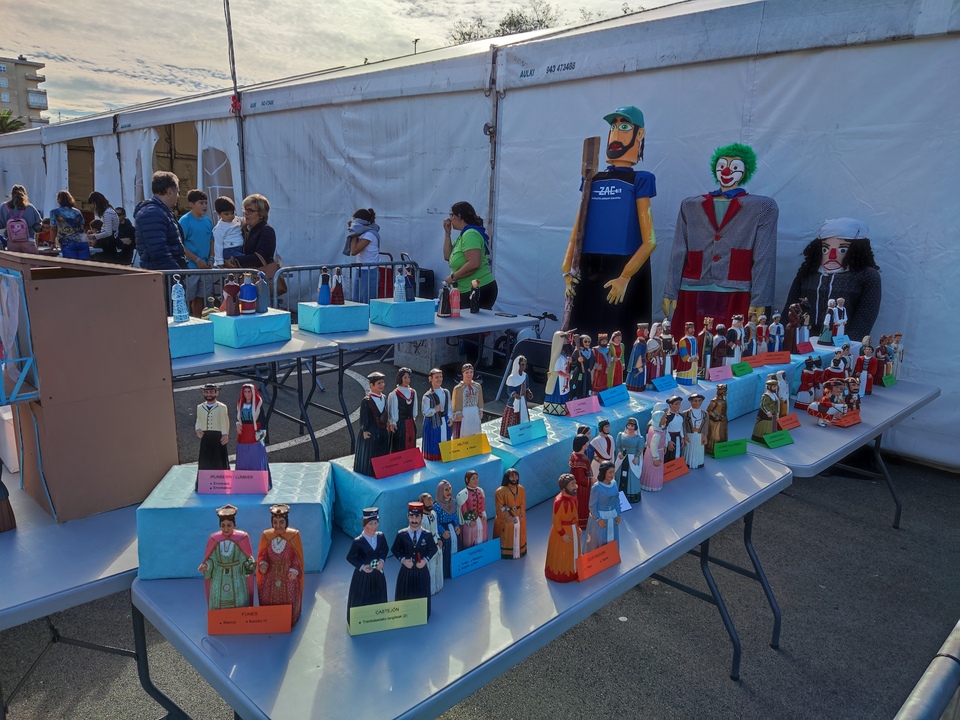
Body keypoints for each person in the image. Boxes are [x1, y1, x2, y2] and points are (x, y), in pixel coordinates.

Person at [663, 143, 779, 334]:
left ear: (745, 171)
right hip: (693, 287)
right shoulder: (690, 205)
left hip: (737, 290)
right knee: (690, 342)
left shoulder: (762, 207)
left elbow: (764, 256)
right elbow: (678, 251)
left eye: (735, 166)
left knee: (730, 343)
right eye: (723, 165)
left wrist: (760, 299)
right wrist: (671, 290)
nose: (726, 170)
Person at [563, 105, 657, 339]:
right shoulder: (592, 178)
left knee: (619, 335)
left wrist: (625, 276)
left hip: (624, 265)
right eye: (613, 127)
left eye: (624, 126)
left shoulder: (640, 179)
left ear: (639, 134)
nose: (615, 133)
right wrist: (567, 269)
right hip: (588, 265)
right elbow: (577, 227)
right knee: (582, 332)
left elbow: (650, 241)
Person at [782, 218, 882, 342]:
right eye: (825, 249)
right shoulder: (808, 272)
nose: (832, 255)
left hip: (841, 340)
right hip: (803, 339)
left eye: (842, 250)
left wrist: (847, 345)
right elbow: (790, 307)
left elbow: (865, 317)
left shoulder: (867, 276)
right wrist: (785, 337)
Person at [198, 505, 255, 610]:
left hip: (236, 575)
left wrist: (248, 564)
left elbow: (244, 556)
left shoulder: (241, 538)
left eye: (229, 525)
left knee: (239, 599)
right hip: (219, 575)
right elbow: (213, 558)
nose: (226, 529)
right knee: (219, 599)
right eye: (223, 526)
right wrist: (207, 565)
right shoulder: (214, 539)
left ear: (234, 524)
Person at [442, 201, 498, 309]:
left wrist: (452, 277)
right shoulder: (463, 236)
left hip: (479, 289)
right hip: (465, 290)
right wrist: (447, 234)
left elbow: (474, 264)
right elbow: (447, 256)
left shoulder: (470, 234)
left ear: (459, 216)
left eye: (452, 215)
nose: (450, 219)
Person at [257, 504, 304, 626]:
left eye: (281, 522)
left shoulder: (293, 536)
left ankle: (288, 619)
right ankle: (269, 619)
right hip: (271, 574)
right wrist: (263, 564)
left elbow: (297, 558)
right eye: (275, 522)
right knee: (267, 597)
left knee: (289, 597)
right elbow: (263, 555)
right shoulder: (267, 536)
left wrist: (294, 570)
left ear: (286, 522)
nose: (278, 526)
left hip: (287, 574)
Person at [392, 502, 438, 618]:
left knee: (422, 593)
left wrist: (425, 560)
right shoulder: (401, 534)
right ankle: (402, 615)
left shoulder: (427, 535)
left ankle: (421, 614)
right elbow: (395, 550)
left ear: (422, 517)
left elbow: (433, 549)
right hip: (406, 571)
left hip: (421, 570)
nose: (414, 520)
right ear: (408, 517)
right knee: (404, 592)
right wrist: (403, 560)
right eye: (411, 517)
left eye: (417, 517)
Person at [135, 172, 187, 270]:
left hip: (165, 272)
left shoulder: (161, 211)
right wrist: (176, 273)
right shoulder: (153, 213)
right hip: (162, 274)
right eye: (177, 192)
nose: (178, 196)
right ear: (170, 192)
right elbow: (158, 251)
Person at [346, 508, 389, 621]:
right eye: (370, 524)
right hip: (364, 576)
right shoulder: (358, 541)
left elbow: (385, 549)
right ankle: (361, 620)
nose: (374, 527)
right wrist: (362, 567)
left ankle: (378, 618)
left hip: (377, 573)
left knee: (379, 595)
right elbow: (350, 557)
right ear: (364, 524)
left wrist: (382, 560)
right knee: (362, 596)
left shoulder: (380, 537)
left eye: (376, 523)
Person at [179, 189, 215, 317]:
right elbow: (180, 245)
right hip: (190, 268)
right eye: (201, 203)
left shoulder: (208, 221)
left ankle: (198, 320)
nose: (204, 206)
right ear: (191, 204)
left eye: (206, 203)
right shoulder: (185, 221)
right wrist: (197, 260)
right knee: (187, 298)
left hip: (205, 267)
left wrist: (211, 258)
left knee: (201, 297)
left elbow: (211, 240)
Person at [544, 474, 581, 583]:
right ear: (564, 488)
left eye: (575, 483)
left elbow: (575, 514)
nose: (576, 486)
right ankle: (562, 572)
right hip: (563, 532)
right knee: (562, 553)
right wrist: (563, 534)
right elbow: (556, 520)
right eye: (572, 484)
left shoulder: (574, 498)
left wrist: (577, 526)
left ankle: (575, 569)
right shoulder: (559, 501)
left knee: (574, 550)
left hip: (573, 529)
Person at [353, 372, 389, 476]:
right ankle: (369, 470)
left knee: (382, 448)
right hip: (371, 429)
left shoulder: (384, 398)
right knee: (370, 451)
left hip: (382, 429)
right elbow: (364, 417)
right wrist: (364, 429)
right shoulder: (366, 401)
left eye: (382, 382)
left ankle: (382, 468)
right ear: (371, 385)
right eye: (379, 383)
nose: (381, 385)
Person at [195, 383, 230, 484]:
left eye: (211, 392)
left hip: (217, 436)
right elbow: (198, 420)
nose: (208, 394)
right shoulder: (200, 407)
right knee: (205, 459)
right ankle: (204, 483)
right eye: (206, 392)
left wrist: (225, 434)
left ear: (216, 393)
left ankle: (220, 482)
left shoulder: (221, 407)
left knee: (218, 459)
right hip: (206, 436)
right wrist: (198, 429)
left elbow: (224, 421)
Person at [583, 461, 621, 554]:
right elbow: (592, 505)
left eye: (613, 472)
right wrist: (598, 519)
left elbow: (617, 500)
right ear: (604, 473)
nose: (612, 474)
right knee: (600, 539)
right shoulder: (597, 487)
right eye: (610, 472)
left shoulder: (614, 483)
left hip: (612, 517)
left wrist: (618, 514)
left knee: (612, 538)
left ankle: (611, 556)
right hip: (601, 518)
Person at [235, 383, 270, 483]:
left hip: (255, 432)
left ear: (253, 392)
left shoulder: (258, 404)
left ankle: (259, 482)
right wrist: (238, 424)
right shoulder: (240, 403)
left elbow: (263, 418)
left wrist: (262, 430)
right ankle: (243, 482)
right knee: (243, 454)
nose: (247, 394)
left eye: (249, 392)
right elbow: (238, 417)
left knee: (256, 454)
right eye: (245, 392)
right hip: (243, 432)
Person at [231, 194, 276, 269]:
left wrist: (235, 260)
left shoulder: (267, 231)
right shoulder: (243, 229)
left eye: (250, 211)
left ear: (261, 214)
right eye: (245, 210)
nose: (246, 213)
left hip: (261, 274)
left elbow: (261, 257)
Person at [346, 208, 380, 303]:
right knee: (356, 300)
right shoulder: (363, 233)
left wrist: (354, 233)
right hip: (361, 269)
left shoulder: (369, 234)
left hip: (370, 271)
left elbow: (354, 251)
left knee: (367, 300)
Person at [494, 468, 526, 560]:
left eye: (516, 476)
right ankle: (506, 551)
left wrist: (522, 512)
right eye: (512, 476)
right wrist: (506, 516)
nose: (514, 478)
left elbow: (522, 502)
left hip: (519, 514)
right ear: (507, 478)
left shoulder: (521, 489)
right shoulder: (500, 491)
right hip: (507, 516)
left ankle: (520, 550)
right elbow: (500, 507)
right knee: (508, 531)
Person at [421, 368, 452, 461]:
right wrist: (434, 410)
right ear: (430, 379)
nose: (439, 379)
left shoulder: (446, 392)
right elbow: (425, 412)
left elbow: (449, 406)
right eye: (436, 377)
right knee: (434, 440)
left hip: (444, 419)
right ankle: (433, 456)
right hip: (432, 421)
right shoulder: (427, 396)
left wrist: (450, 417)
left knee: (444, 438)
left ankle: (444, 455)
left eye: (441, 377)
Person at [1, 184, 42, 252]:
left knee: (13, 259)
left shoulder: (4, 207)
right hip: (28, 240)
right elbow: (38, 226)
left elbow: (1, 224)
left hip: (12, 241)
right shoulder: (30, 207)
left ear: (11, 194)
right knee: (31, 259)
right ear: (25, 194)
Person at [49, 190, 89, 260]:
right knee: (84, 265)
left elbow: (53, 229)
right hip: (82, 241)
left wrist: (52, 243)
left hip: (67, 241)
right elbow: (82, 225)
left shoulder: (54, 212)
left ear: (58, 200)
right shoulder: (77, 212)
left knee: (71, 265)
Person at [387, 367, 419, 453]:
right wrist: (393, 422)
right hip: (400, 425)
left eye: (408, 377)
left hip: (410, 423)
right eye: (405, 377)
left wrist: (413, 419)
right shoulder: (394, 394)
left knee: (411, 443)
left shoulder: (413, 392)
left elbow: (414, 409)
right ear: (400, 378)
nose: (407, 380)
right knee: (400, 445)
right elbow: (392, 410)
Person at [499, 356, 533, 437]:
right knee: (512, 417)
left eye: (525, 364)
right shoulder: (512, 378)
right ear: (517, 365)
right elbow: (509, 390)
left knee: (523, 417)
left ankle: (523, 433)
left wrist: (528, 392)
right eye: (522, 364)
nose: (524, 366)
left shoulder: (525, 376)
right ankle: (510, 434)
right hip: (513, 403)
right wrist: (514, 394)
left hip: (523, 402)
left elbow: (526, 387)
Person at [434, 480, 461, 579]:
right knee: (446, 546)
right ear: (441, 491)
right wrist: (442, 532)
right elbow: (436, 523)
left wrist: (457, 525)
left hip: (452, 528)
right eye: (446, 490)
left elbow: (454, 516)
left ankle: (457, 568)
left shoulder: (453, 502)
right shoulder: (436, 506)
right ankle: (446, 571)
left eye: (450, 489)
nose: (449, 491)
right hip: (444, 529)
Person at [418, 492, 444, 595]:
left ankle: (438, 585)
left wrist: (439, 539)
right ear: (421, 502)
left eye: (431, 499)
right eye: (428, 500)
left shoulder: (434, 514)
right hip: (426, 546)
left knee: (438, 565)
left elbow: (435, 529)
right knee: (429, 568)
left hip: (436, 542)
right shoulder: (420, 518)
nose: (431, 502)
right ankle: (430, 589)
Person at [456, 469, 487, 549]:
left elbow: (482, 506)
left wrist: (484, 515)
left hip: (480, 519)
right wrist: (469, 521)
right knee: (470, 536)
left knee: (483, 533)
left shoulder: (480, 491)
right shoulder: (463, 494)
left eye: (477, 478)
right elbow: (464, 509)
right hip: (470, 522)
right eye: (473, 479)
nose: (476, 480)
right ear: (467, 480)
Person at [451, 363, 484, 439]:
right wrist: (457, 412)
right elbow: (455, 402)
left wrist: (480, 409)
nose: (469, 374)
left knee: (475, 432)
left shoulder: (477, 386)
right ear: (463, 373)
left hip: (475, 412)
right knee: (464, 432)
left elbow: (480, 399)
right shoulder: (458, 388)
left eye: (471, 372)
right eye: (467, 372)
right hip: (464, 413)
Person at [640, 403, 668, 492]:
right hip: (655, 453)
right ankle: (652, 485)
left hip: (652, 452)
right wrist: (656, 458)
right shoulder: (657, 434)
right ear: (659, 419)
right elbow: (653, 446)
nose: (666, 419)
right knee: (654, 469)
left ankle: (648, 483)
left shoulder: (654, 428)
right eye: (664, 418)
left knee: (651, 469)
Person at [615, 417, 644, 503]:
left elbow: (640, 449)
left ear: (635, 427)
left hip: (632, 458)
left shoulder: (639, 438)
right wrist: (620, 452)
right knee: (619, 474)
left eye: (632, 426)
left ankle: (631, 494)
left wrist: (637, 457)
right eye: (629, 425)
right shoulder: (621, 435)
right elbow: (618, 445)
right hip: (623, 456)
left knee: (632, 475)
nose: (630, 427)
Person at [569, 434, 593, 530]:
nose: (588, 444)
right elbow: (581, 479)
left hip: (580, 486)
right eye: (586, 442)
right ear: (582, 445)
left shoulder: (576, 456)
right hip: (582, 489)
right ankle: (582, 523)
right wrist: (592, 480)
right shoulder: (579, 460)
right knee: (582, 506)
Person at [213, 196, 244, 266]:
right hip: (229, 250)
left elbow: (244, 221)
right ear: (219, 214)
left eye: (232, 213)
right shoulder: (219, 228)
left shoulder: (236, 220)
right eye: (226, 214)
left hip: (240, 247)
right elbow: (218, 245)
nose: (230, 216)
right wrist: (220, 262)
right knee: (244, 262)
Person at [86, 191, 120, 257]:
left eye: (93, 204)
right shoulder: (110, 211)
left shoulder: (107, 213)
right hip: (111, 242)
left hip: (108, 244)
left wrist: (94, 236)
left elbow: (108, 232)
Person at [682, 393, 709, 469]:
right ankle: (687, 462)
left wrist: (705, 435)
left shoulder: (705, 414)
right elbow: (683, 425)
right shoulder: (685, 413)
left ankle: (699, 462)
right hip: (689, 435)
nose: (697, 403)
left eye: (699, 401)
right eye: (695, 401)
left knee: (698, 449)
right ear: (691, 401)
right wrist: (684, 435)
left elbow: (706, 426)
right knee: (689, 449)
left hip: (700, 435)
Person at [705, 384, 729, 456]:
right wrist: (716, 417)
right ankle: (711, 449)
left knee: (722, 435)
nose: (725, 393)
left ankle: (722, 449)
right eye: (724, 392)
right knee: (715, 436)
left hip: (723, 421)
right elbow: (709, 411)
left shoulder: (724, 399)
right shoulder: (714, 401)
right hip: (715, 422)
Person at [625, 323, 649, 391]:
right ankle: (635, 387)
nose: (648, 332)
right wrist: (639, 366)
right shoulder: (639, 344)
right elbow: (637, 355)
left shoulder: (642, 342)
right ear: (641, 332)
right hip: (638, 364)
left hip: (642, 362)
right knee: (637, 377)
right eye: (646, 331)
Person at [675, 322, 699, 386]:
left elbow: (696, 349)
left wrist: (697, 356)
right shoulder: (683, 340)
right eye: (691, 329)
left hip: (694, 361)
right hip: (687, 361)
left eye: (693, 328)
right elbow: (683, 352)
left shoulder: (695, 339)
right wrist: (689, 358)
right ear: (687, 329)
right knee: (687, 371)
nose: (693, 330)